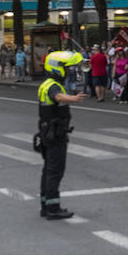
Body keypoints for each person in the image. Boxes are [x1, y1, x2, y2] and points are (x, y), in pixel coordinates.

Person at [35, 50, 87, 220]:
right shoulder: (53, 86)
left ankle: (46, 205)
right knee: (55, 170)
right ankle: (53, 208)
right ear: (58, 68)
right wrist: (73, 98)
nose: (70, 70)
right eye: (68, 67)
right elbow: (56, 97)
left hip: (47, 131)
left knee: (48, 170)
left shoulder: (46, 83)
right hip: (55, 133)